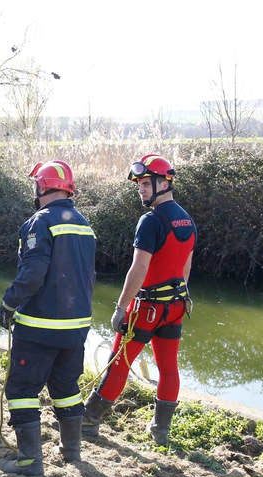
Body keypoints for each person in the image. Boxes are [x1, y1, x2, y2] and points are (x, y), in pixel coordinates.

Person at [82, 154, 196, 446]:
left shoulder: (151, 220)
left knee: (118, 363)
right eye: (139, 185)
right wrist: (183, 292)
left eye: (146, 184)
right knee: (168, 366)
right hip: (176, 306)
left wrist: (121, 307)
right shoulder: (186, 219)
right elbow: (185, 264)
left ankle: (88, 421)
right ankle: (160, 432)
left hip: (147, 308)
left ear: (163, 183)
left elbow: (139, 268)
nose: (141, 190)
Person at [0, 160, 96, 475]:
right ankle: (72, 453)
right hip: (77, 327)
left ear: (41, 187)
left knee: (21, 390)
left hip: (40, 327)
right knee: (66, 386)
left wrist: (9, 304)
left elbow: (33, 271)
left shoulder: (39, 222)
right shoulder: (84, 224)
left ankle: (29, 460)